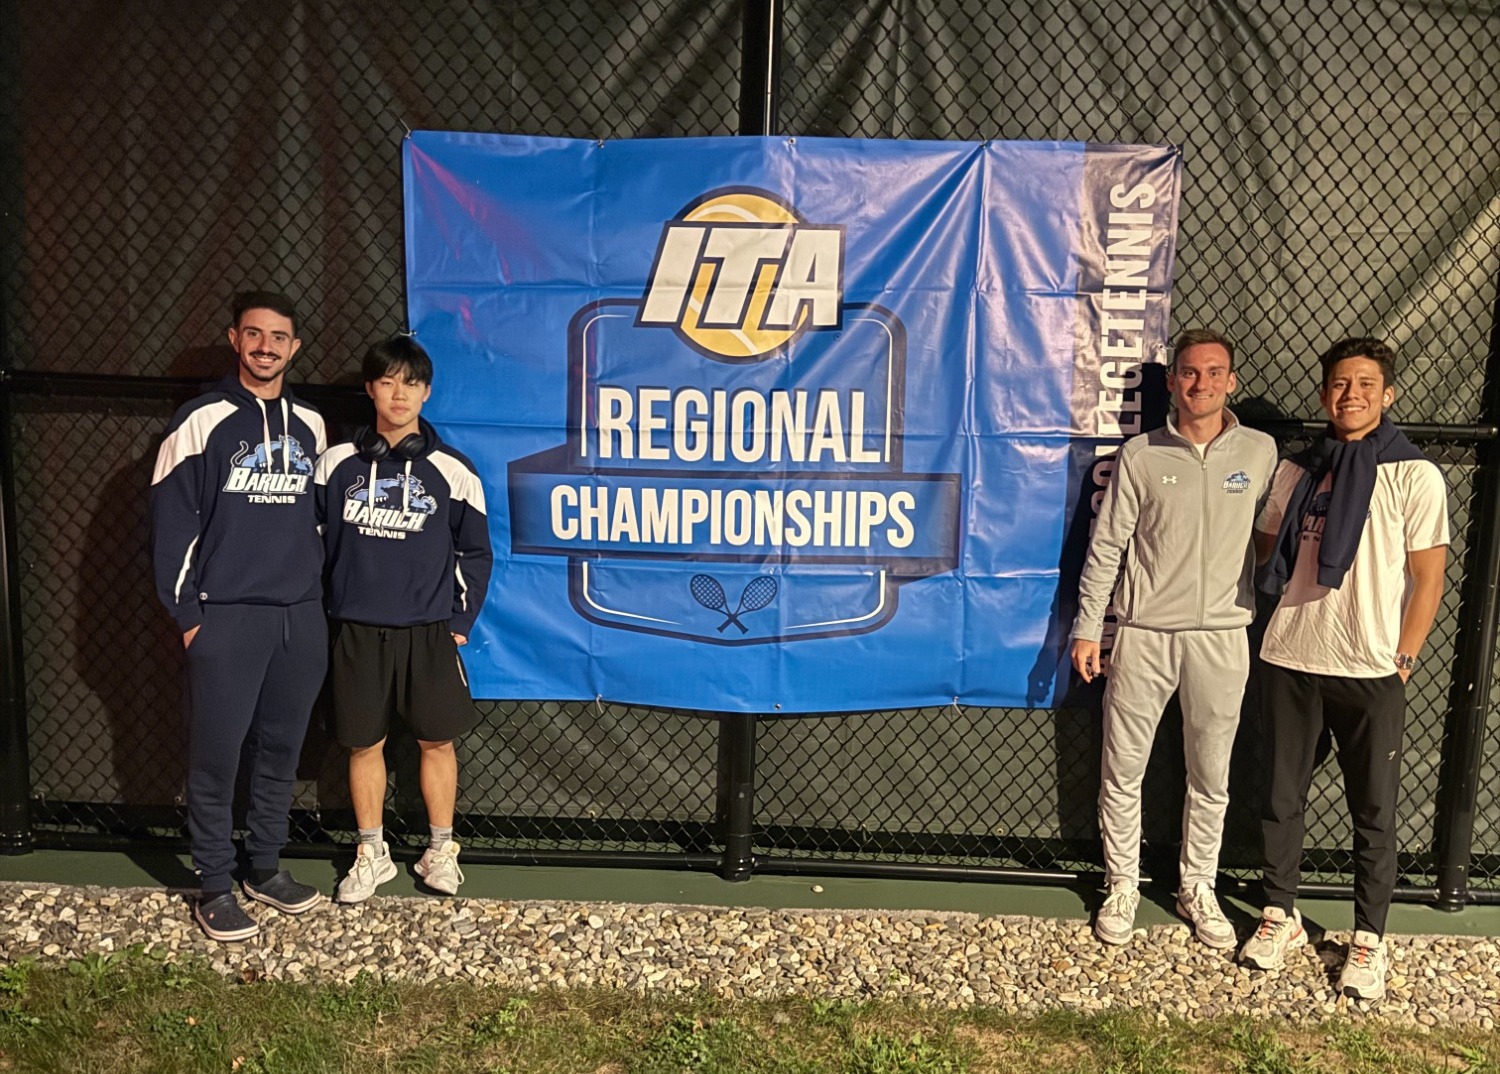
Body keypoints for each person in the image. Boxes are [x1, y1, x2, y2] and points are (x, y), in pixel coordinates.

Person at [1239, 338, 1448, 1001]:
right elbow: (1268, 544)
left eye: (1365, 384)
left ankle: (1368, 937)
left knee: (1374, 810)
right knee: (1280, 798)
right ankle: (1280, 915)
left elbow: (1429, 578)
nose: (1350, 394)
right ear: (1324, 393)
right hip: (1290, 656)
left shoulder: (1414, 475)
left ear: (1387, 395)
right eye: (1337, 383)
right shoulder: (1297, 471)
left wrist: (1404, 657)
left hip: (1370, 669)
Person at [1071, 328, 1278, 949]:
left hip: (1222, 635)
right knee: (1122, 768)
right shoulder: (1141, 455)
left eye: (1214, 372)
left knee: (1210, 773)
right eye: (1189, 372)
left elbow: (1276, 537)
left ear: (1231, 381)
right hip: (1142, 634)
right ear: (1173, 382)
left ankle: (1198, 886)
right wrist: (1090, 626)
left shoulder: (1261, 453)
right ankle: (1122, 883)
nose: (1201, 383)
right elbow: (1107, 545)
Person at [151, 290, 328, 941]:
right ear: (234, 339)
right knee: (217, 757)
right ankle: (215, 886)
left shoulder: (311, 425)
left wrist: (310, 599)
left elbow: (314, 519)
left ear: (294, 347)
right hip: (227, 618)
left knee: (280, 751)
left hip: (299, 618)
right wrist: (191, 616)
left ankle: (265, 868)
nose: (265, 346)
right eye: (254, 334)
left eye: (278, 337)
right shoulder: (199, 421)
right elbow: (172, 525)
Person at [314, 335, 493, 903]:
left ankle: (441, 849)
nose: (399, 393)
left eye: (410, 383)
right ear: (370, 389)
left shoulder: (453, 470)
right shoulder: (335, 464)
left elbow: (476, 552)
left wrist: (458, 621)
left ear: (426, 391)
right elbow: (309, 544)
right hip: (357, 630)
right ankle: (372, 852)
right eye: (387, 381)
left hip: (427, 633)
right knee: (362, 745)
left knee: (436, 741)